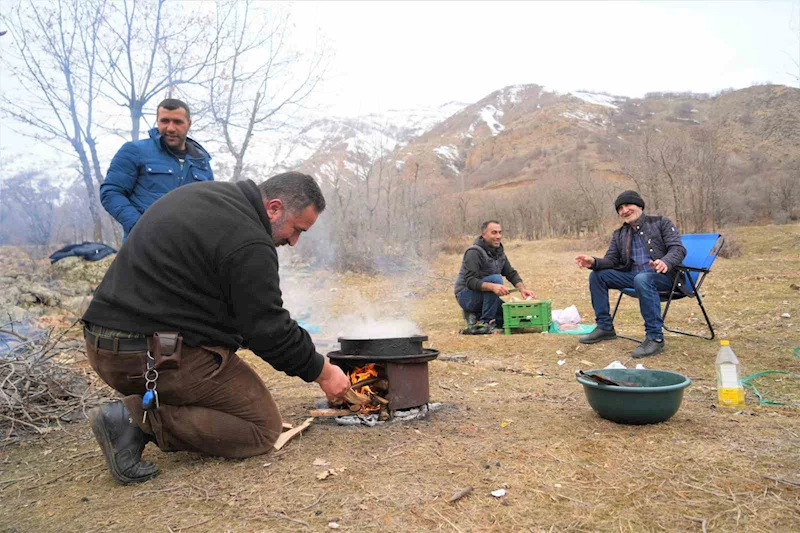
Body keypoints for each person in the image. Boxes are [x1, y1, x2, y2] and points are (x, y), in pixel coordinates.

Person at [82, 172, 350, 484]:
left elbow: (234, 311)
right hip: (146, 356)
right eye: (296, 230)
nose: (293, 241)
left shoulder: (208, 196)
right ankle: (135, 418)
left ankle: (152, 402)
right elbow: (268, 330)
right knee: (261, 428)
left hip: (106, 345)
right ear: (274, 208)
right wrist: (323, 373)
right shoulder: (249, 238)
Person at [575, 190, 686, 358]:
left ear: (639, 206)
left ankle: (655, 338)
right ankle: (605, 327)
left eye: (628, 205)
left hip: (664, 277)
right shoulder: (620, 233)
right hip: (635, 277)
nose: (624, 210)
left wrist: (665, 261)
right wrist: (594, 262)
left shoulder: (661, 222)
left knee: (643, 279)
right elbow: (612, 260)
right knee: (597, 275)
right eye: (620, 208)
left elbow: (678, 249)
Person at [100, 98, 213, 240]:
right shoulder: (135, 150)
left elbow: (209, 206)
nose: (170, 128)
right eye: (165, 121)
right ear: (157, 121)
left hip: (188, 247)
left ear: (189, 124)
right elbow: (111, 193)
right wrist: (140, 228)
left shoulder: (202, 162)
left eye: (177, 122)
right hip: (144, 245)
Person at [454, 220, 535, 334]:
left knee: (510, 318)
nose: (498, 236)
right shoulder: (473, 252)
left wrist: (522, 289)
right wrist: (493, 287)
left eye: (500, 232)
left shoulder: (499, 252)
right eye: (494, 233)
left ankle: (475, 316)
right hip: (466, 296)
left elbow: (510, 273)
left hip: (487, 296)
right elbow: (470, 281)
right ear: (484, 235)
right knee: (496, 279)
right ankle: (485, 323)